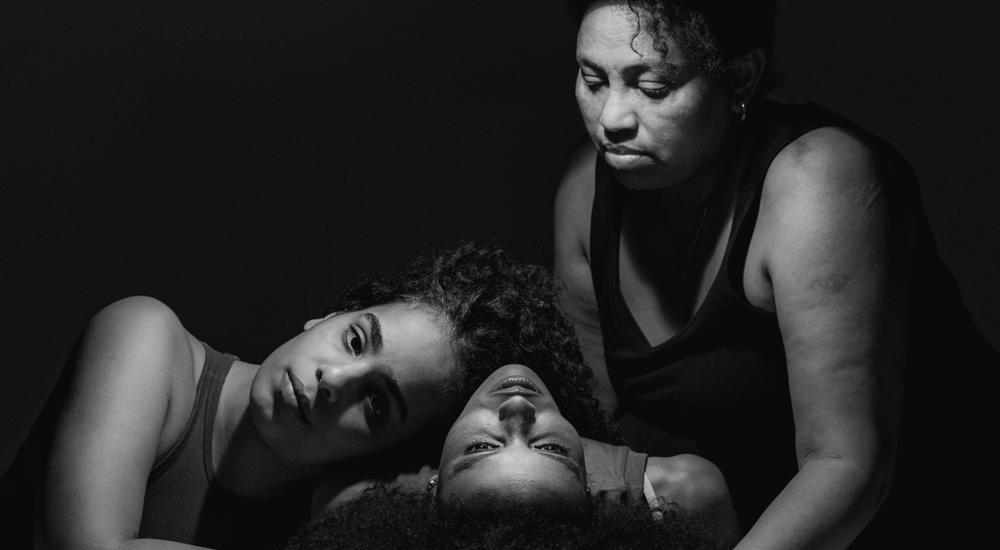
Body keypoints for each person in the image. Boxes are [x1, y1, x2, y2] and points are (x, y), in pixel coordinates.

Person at [552, 1, 999, 549]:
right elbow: (588, 423)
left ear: (740, 79)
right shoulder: (586, 190)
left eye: (653, 88)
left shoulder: (818, 182)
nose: (612, 118)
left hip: (946, 513)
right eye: (593, 80)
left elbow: (846, 466)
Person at [1, 242, 590, 550]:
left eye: (376, 404)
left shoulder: (335, 522)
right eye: (355, 339)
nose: (334, 381)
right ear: (327, 317)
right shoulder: (146, 337)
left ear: (386, 454)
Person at [297, 363, 741, 550]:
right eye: (551, 449)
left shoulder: (355, 503)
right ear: (588, 489)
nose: (516, 407)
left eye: (480, 448)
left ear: (433, 489)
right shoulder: (681, 494)